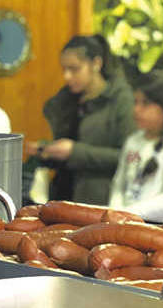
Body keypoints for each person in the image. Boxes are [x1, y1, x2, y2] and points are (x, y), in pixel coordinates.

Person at [26, 35, 135, 204]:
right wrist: (47, 150)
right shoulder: (66, 101)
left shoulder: (121, 100)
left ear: (96, 64)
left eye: (74, 69)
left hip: (101, 200)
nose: (67, 76)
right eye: (64, 69)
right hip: (63, 195)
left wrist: (74, 152)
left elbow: (128, 157)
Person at [108, 74, 163, 221]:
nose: (136, 109)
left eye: (146, 103)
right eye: (135, 102)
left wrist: (126, 213)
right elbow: (118, 185)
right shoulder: (133, 141)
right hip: (124, 220)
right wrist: (115, 210)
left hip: (156, 225)